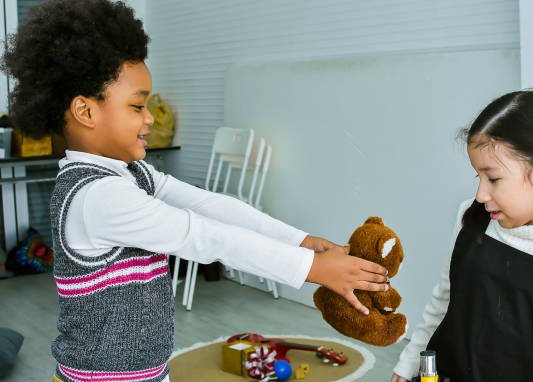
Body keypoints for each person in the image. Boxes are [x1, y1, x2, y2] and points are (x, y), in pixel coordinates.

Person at [1, 1, 389, 381]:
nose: (150, 118)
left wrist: (299, 241)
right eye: (137, 107)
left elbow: (211, 206)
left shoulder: (131, 174)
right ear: (86, 112)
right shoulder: (97, 197)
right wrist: (312, 269)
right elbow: (203, 237)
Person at [391, 90, 533, 382]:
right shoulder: (471, 216)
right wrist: (408, 363)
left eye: (493, 178)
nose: (481, 194)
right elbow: (443, 300)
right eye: (477, 177)